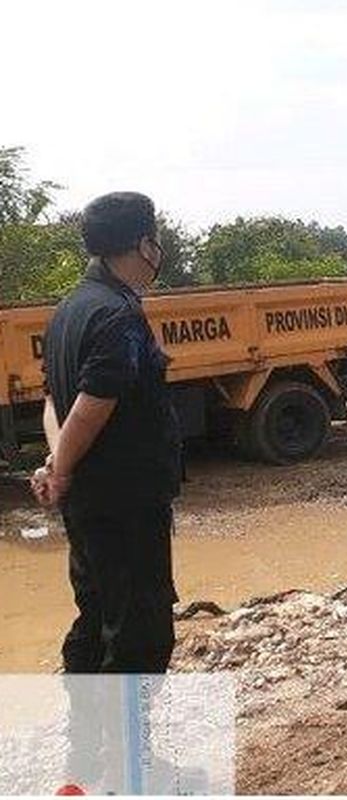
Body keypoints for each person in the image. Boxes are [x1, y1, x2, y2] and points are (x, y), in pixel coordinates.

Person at [31, 191, 181, 673]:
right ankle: (127, 751)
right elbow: (93, 405)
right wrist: (64, 468)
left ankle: (89, 746)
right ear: (144, 245)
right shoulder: (119, 314)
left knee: (95, 618)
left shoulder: (68, 310)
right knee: (140, 633)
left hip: (90, 506)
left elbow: (54, 401)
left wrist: (57, 465)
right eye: (155, 241)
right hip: (126, 503)